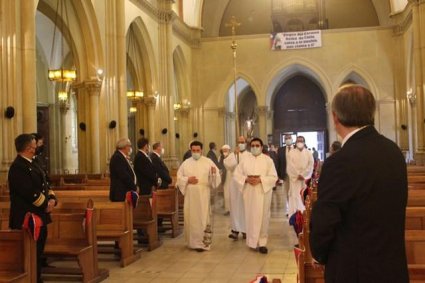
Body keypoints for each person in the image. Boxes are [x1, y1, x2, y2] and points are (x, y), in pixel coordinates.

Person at [309, 84, 409, 282]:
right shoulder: (394, 153)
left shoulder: (339, 162)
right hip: (392, 267)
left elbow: (326, 221)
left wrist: (319, 253)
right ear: (372, 113)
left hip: (354, 270)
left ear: (335, 117)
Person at [8, 133, 57, 283]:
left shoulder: (33, 163)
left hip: (39, 215)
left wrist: (53, 199)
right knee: (31, 252)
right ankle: (32, 278)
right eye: (35, 145)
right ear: (29, 148)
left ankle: (36, 276)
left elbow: (45, 183)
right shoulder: (18, 167)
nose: (37, 148)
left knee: (38, 250)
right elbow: (29, 192)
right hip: (28, 217)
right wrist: (45, 204)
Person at [233, 137, 278, 254]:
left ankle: (262, 242)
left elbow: (273, 177)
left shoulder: (268, 161)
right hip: (249, 192)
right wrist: (246, 179)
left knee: (263, 217)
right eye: (252, 145)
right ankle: (252, 241)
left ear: (262, 147)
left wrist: (260, 180)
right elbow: (236, 175)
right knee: (251, 216)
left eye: (257, 145)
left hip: (263, 192)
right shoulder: (245, 160)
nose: (255, 147)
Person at [177, 141, 221, 252]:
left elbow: (215, 180)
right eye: (193, 150)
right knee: (191, 218)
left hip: (203, 195)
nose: (195, 152)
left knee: (202, 218)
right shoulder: (186, 163)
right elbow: (179, 178)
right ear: (190, 150)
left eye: (198, 150)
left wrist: (214, 173)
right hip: (190, 196)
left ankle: (203, 243)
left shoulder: (208, 162)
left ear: (201, 150)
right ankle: (192, 243)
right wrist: (187, 179)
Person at [224, 136, 250, 240]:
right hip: (234, 185)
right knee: (234, 207)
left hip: (245, 184)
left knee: (245, 208)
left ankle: (245, 230)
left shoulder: (249, 155)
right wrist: (235, 155)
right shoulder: (232, 155)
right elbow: (228, 166)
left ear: (246, 143)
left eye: (242, 142)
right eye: (239, 142)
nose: (241, 144)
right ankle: (235, 230)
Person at [286, 135, 314, 216]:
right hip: (295, 179)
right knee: (295, 196)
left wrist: (304, 175)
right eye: (298, 141)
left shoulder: (308, 153)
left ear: (304, 142)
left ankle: (304, 212)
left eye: (301, 141)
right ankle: (295, 214)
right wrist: (297, 175)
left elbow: (311, 165)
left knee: (303, 196)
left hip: (304, 179)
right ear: (295, 142)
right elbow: (290, 166)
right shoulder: (291, 153)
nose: (299, 143)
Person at [277, 134, 294, 214]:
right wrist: (278, 175)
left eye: (289, 138)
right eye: (286, 138)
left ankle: (296, 209)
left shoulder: (296, 148)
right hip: (286, 175)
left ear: (292, 139)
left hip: (296, 175)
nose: (288, 139)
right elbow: (278, 162)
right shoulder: (281, 150)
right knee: (287, 193)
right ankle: (290, 210)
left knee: (295, 193)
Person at [219, 145, 231, 215]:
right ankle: (228, 210)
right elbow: (219, 166)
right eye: (224, 150)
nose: (225, 152)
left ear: (229, 150)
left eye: (226, 150)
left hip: (231, 177)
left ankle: (233, 210)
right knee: (226, 194)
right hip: (225, 177)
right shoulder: (221, 157)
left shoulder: (232, 157)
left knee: (232, 195)